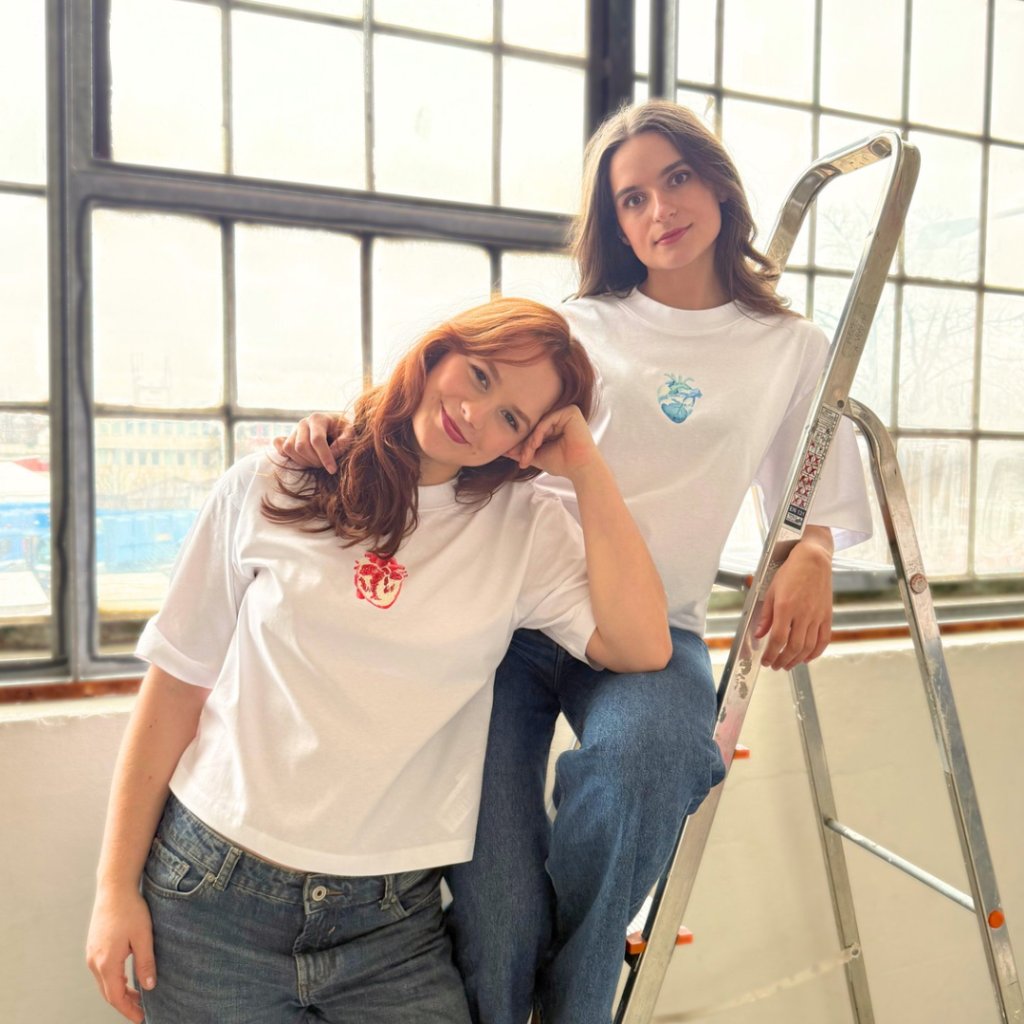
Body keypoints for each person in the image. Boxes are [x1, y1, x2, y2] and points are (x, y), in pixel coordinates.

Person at [279, 100, 873, 1024]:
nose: (659, 211)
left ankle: (574, 1002)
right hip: (511, 619)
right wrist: (337, 428)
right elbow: (453, 413)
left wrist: (815, 551)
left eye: (676, 179)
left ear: (718, 184)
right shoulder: (575, 322)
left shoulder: (791, 348)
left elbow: (809, 489)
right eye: (631, 199)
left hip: (650, 629)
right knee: (500, 916)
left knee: (658, 756)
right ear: (614, 224)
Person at [85, 297, 673, 1024]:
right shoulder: (273, 481)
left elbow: (643, 644)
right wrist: (114, 890)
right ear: (439, 351)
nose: (474, 414)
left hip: (389, 924)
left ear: (526, 442)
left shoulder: (525, 531)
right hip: (212, 895)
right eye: (479, 375)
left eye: (511, 418)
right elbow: (175, 686)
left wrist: (586, 468)